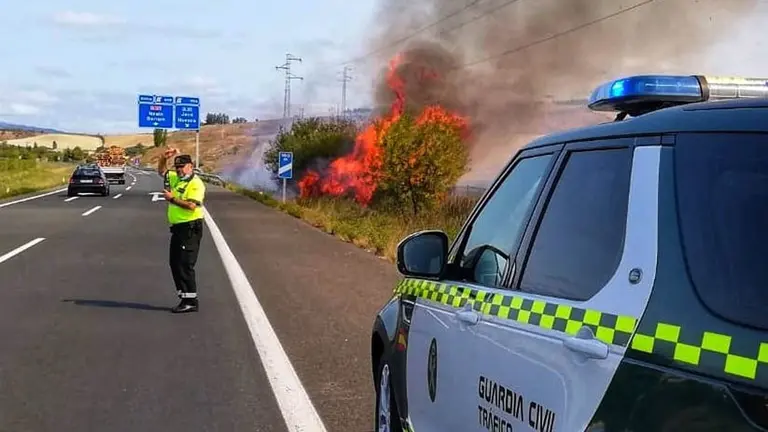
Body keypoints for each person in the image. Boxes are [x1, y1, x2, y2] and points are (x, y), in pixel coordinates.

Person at [157, 148, 206, 313]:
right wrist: (164, 158)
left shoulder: (195, 183)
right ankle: (184, 296)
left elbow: (192, 206)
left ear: (190, 166)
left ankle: (191, 301)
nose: (179, 170)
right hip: (178, 229)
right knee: (175, 263)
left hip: (190, 228)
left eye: (182, 167)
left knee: (185, 265)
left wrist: (172, 199)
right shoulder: (177, 179)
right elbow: (162, 171)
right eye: (177, 167)